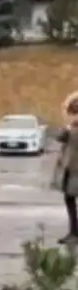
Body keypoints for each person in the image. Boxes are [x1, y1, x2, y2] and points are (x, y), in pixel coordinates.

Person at [57, 92, 78, 243]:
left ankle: (74, 233)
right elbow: (59, 137)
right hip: (70, 170)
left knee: (71, 199)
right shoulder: (71, 128)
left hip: (76, 170)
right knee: (69, 200)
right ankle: (73, 232)